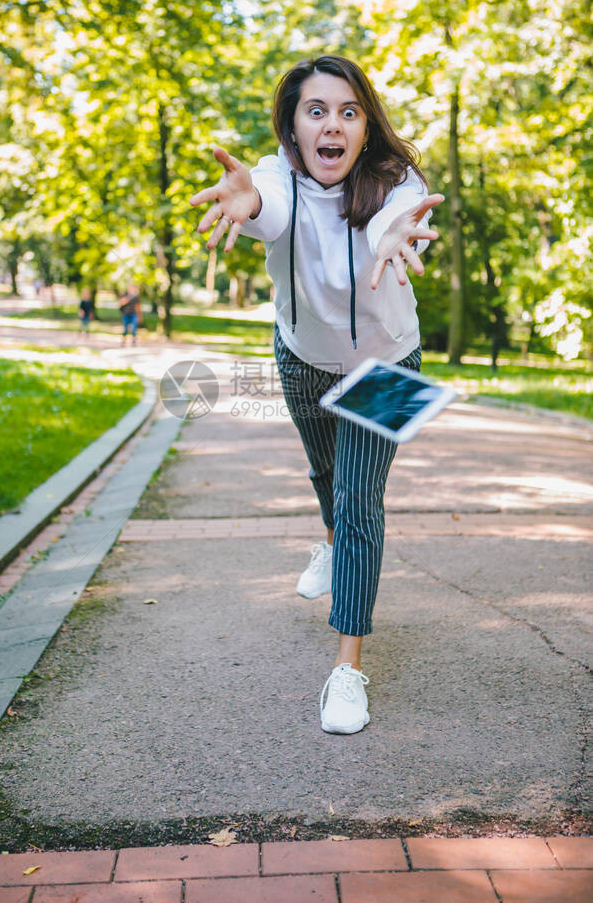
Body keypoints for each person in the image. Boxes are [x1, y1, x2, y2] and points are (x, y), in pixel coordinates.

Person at [191, 54, 443, 736]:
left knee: (359, 502)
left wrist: (391, 230)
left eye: (348, 111)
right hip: (301, 356)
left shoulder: (397, 182)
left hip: (388, 365)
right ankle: (330, 544)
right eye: (315, 111)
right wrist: (247, 204)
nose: (332, 124)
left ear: (365, 127)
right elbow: (265, 206)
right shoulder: (276, 177)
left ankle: (347, 669)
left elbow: (403, 215)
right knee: (325, 475)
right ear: (294, 126)